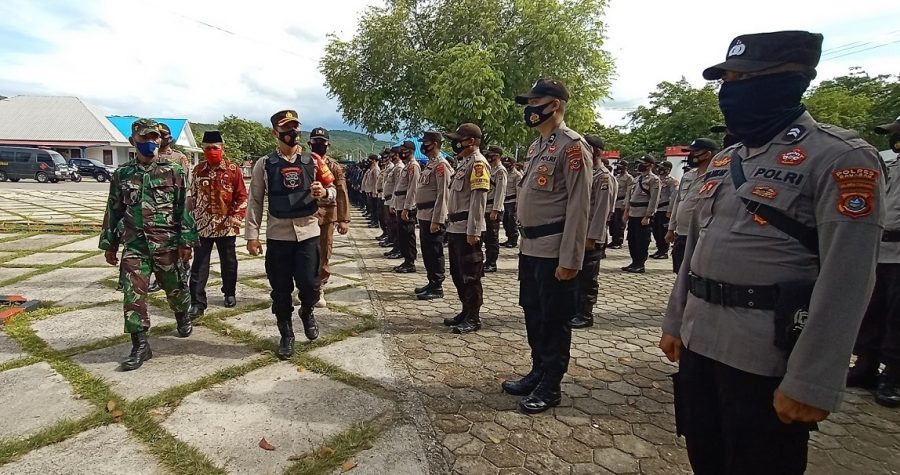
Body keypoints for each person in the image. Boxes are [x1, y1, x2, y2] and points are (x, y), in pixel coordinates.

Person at [660, 31, 885, 474]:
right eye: (726, 79)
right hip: (702, 341)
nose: (731, 91)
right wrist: (675, 321)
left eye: (744, 78)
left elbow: (849, 279)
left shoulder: (839, 157)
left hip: (765, 354)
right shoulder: (727, 160)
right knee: (706, 453)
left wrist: (812, 381)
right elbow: (698, 248)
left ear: (793, 79)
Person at [502, 78, 592, 414]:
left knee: (554, 320)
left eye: (534, 101)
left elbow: (580, 206)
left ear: (553, 105)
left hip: (555, 250)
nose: (529, 108)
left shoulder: (572, 146)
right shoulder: (537, 146)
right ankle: (538, 370)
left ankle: (551, 384)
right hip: (531, 248)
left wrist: (571, 258)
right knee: (533, 312)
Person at [99, 118, 197, 371]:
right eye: (145, 138)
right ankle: (141, 345)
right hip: (135, 246)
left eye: (154, 138)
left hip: (167, 244)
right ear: (133, 142)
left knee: (175, 289)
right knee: (133, 295)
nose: (150, 143)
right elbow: (114, 209)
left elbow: (183, 208)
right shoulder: (122, 174)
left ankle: (182, 314)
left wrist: (186, 241)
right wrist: (110, 243)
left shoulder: (173, 171)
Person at [245, 110, 336, 360]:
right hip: (278, 236)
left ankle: (307, 311)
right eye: (286, 129)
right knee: (281, 290)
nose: (292, 133)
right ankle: (286, 334)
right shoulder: (264, 164)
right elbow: (254, 200)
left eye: (295, 128)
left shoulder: (314, 161)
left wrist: (324, 193)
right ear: (276, 132)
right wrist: (251, 235)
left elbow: (332, 189)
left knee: (310, 284)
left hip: (308, 233)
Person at [848, 116, 900, 408]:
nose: (894, 140)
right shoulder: (888, 165)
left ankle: (892, 375)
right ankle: (865, 365)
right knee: (872, 309)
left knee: (897, 316)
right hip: (881, 249)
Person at [187, 130, 248, 319]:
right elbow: (193, 196)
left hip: (226, 225)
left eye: (215, 148)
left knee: (229, 263)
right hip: (203, 225)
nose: (211, 151)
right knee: (199, 265)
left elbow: (241, 196)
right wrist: (190, 220)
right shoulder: (197, 171)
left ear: (222, 149)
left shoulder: (233, 170)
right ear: (203, 150)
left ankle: (229, 292)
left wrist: (236, 216)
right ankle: (197, 302)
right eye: (207, 148)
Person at [442, 123, 490, 334]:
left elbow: (478, 200)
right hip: (455, 227)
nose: (456, 143)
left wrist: (474, 230)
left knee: (471, 275)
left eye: (459, 139)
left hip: (467, 229)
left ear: (471, 141)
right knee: (457, 272)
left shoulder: (478, 164)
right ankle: (465, 309)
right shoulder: (464, 164)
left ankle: (474, 317)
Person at [570, 134, 615, 329]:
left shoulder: (603, 177)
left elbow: (602, 211)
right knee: (576, 275)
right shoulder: (585, 173)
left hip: (590, 236)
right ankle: (574, 309)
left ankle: (585, 314)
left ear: (596, 152)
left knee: (588, 278)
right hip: (577, 233)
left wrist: (592, 237)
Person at [310, 127, 350, 307]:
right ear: (309, 143)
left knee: (324, 250)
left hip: (327, 214)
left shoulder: (333, 166)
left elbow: (341, 192)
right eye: (315, 142)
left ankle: (319, 287)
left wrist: (343, 219)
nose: (319, 145)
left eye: (322, 142)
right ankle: (305, 284)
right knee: (305, 252)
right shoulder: (304, 162)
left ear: (328, 145)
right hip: (306, 213)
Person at [665, 138, 718, 274]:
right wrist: (671, 228)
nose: (691, 155)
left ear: (707, 154)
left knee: (694, 274)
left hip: (699, 235)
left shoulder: (716, 177)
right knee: (679, 271)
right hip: (681, 233)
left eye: (694, 152)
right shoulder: (688, 175)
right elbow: (679, 201)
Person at [414, 131, 453, 300]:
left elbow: (443, 195)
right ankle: (431, 281)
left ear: (435, 144)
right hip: (424, 215)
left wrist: (437, 219)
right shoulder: (431, 164)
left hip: (433, 216)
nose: (423, 145)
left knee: (435, 252)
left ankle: (437, 285)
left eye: (427, 142)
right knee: (427, 251)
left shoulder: (441, 166)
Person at [622, 155, 660, 273]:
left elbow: (654, 199)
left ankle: (640, 264)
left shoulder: (654, 180)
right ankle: (634, 262)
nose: (640, 165)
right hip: (633, 213)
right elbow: (630, 196)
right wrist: (626, 211)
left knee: (642, 241)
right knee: (632, 239)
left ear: (651, 165)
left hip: (643, 214)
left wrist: (648, 215)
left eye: (644, 163)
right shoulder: (636, 179)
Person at [392, 141, 421, 273]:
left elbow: (413, 189)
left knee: (408, 235)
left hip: (406, 206)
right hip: (400, 204)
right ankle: (406, 260)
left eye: (404, 150)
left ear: (409, 151)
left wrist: (407, 208)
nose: (401, 153)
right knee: (402, 234)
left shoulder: (414, 166)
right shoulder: (407, 166)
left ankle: (410, 262)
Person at [482, 145, 507, 272]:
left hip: (493, 208)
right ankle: (487, 260)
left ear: (497, 156)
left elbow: (500, 192)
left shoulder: (500, 171)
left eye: (491, 155)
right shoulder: (490, 169)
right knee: (486, 236)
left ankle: (492, 262)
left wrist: (496, 210)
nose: (488, 157)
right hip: (486, 207)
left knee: (492, 237)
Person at [650, 161, 678, 260]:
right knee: (656, 231)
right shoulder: (657, 180)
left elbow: (673, 197)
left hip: (665, 210)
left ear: (668, 169)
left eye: (663, 168)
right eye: (659, 167)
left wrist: (670, 211)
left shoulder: (672, 181)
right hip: (657, 210)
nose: (660, 169)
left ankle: (664, 251)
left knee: (663, 231)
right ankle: (659, 249)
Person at [381, 148, 402, 258]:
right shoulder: (394, 168)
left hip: (393, 200)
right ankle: (394, 246)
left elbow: (397, 187)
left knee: (395, 226)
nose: (390, 157)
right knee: (390, 223)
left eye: (392, 155)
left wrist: (394, 203)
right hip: (388, 199)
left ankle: (398, 248)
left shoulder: (399, 168)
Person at [609, 160, 633, 249]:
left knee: (619, 223)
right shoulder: (617, 177)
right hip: (614, 202)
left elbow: (629, 192)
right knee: (612, 223)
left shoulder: (629, 178)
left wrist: (625, 204)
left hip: (621, 202)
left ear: (625, 167)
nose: (618, 168)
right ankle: (613, 240)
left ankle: (618, 241)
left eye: (620, 166)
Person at [501, 156, 523, 248]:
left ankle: (513, 240)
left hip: (513, 201)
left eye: (508, 165)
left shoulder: (517, 175)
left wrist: (518, 203)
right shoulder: (504, 173)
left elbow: (519, 190)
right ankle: (508, 238)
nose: (507, 166)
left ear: (513, 165)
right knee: (505, 221)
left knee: (512, 221)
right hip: (504, 201)